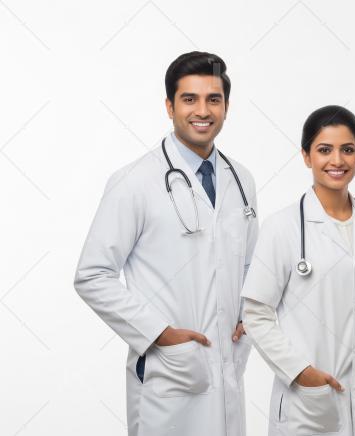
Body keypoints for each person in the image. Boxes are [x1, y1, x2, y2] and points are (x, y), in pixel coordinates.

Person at [74, 51, 259, 436]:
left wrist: (248, 313)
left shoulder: (241, 181)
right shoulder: (135, 182)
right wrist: (160, 333)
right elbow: (92, 275)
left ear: (226, 106)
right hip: (169, 373)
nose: (202, 111)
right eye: (189, 99)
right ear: (169, 106)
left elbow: (247, 266)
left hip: (226, 370)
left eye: (214, 99)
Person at [241, 105, 355, 436]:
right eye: (324, 150)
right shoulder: (282, 228)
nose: (337, 161)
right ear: (305, 155)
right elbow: (256, 314)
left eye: (348, 149)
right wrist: (301, 373)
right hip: (308, 405)